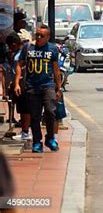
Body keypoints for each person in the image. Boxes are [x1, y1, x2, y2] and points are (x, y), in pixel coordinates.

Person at [14, 25, 62, 153]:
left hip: (48, 86)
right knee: (35, 116)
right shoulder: (28, 48)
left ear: (48, 37)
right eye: (37, 35)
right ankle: (37, 141)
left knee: (50, 112)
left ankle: (50, 138)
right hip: (32, 87)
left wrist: (59, 87)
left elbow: (56, 70)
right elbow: (19, 64)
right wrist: (17, 83)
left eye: (42, 36)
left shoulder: (52, 49)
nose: (39, 38)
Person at [2, 33, 31, 140]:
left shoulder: (19, 56)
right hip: (20, 84)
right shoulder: (17, 54)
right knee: (22, 109)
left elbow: (17, 71)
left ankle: (25, 131)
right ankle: (24, 130)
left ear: (14, 44)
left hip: (21, 85)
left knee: (24, 109)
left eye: (10, 46)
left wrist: (15, 83)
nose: (9, 48)